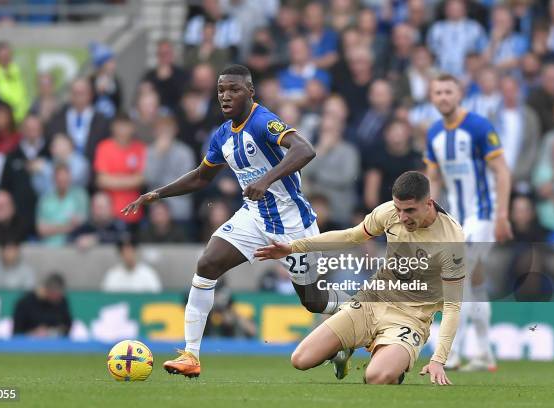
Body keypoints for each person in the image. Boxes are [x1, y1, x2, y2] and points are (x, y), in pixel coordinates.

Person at [122, 65, 351, 377]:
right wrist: (157, 194)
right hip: (253, 218)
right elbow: (202, 177)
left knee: (314, 301)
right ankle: (190, 354)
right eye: (221, 91)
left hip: (292, 226)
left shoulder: (263, 121)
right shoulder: (222, 136)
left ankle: (361, 308)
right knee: (207, 264)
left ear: (250, 92)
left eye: (234, 89)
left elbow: (304, 149)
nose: (226, 96)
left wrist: (267, 180)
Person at [255, 171, 465, 385]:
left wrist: (438, 359)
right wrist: (293, 247)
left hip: (410, 318)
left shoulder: (452, 240)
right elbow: (350, 237)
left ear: (429, 203)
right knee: (300, 359)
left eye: (410, 210)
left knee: (376, 377)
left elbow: (452, 307)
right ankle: (347, 347)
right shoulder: (388, 212)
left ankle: (389, 359)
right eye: (398, 209)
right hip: (370, 302)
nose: (402, 217)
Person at [425, 74, 513, 372]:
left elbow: (502, 171)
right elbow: (434, 179)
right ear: (432, 96)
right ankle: (485, 354)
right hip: (457, 218)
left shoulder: (478, 126)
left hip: (484, 215)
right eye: (438, 92)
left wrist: (502, 215)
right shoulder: (434, 133)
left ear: (459, 93)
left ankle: (450, 353)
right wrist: (429, 217)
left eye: (448, 91)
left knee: (456, 275)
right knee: (474, 286)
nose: (443, 97)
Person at [36, 164, 89, 246]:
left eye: (65, 179)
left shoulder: (80, 196)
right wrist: (67, 227)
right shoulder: (45, 199)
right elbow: (41, 230)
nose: (62, 182)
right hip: (48, 246)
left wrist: (51, 228)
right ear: (53, 179)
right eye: (59, 180)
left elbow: (82, 222)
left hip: (73, 246)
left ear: (70, 178)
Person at [12, 273, 72, 337]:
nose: (57, 298)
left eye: (59, 294)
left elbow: (67, 326)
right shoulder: (24, 303)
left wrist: (51, 331)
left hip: (54, 344)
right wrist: (33, 334)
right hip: (28, 344)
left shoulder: (62, 301)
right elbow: (17, 332)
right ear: (46, 289)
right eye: (53, 293)